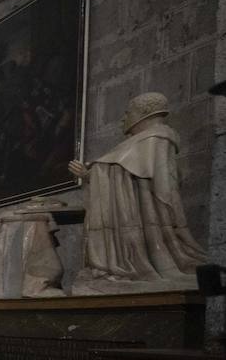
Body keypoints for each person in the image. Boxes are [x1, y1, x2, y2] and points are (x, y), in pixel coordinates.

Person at [68, 91, 207, 291]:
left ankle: (134, 266)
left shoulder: (157, 137)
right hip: (137, 211)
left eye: (128, 113)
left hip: (147, 213)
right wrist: (90, 175)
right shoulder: (141, 141)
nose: (124, 118)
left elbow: (152, 178)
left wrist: (95, 171)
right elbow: (126, 170)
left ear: (145, 112)